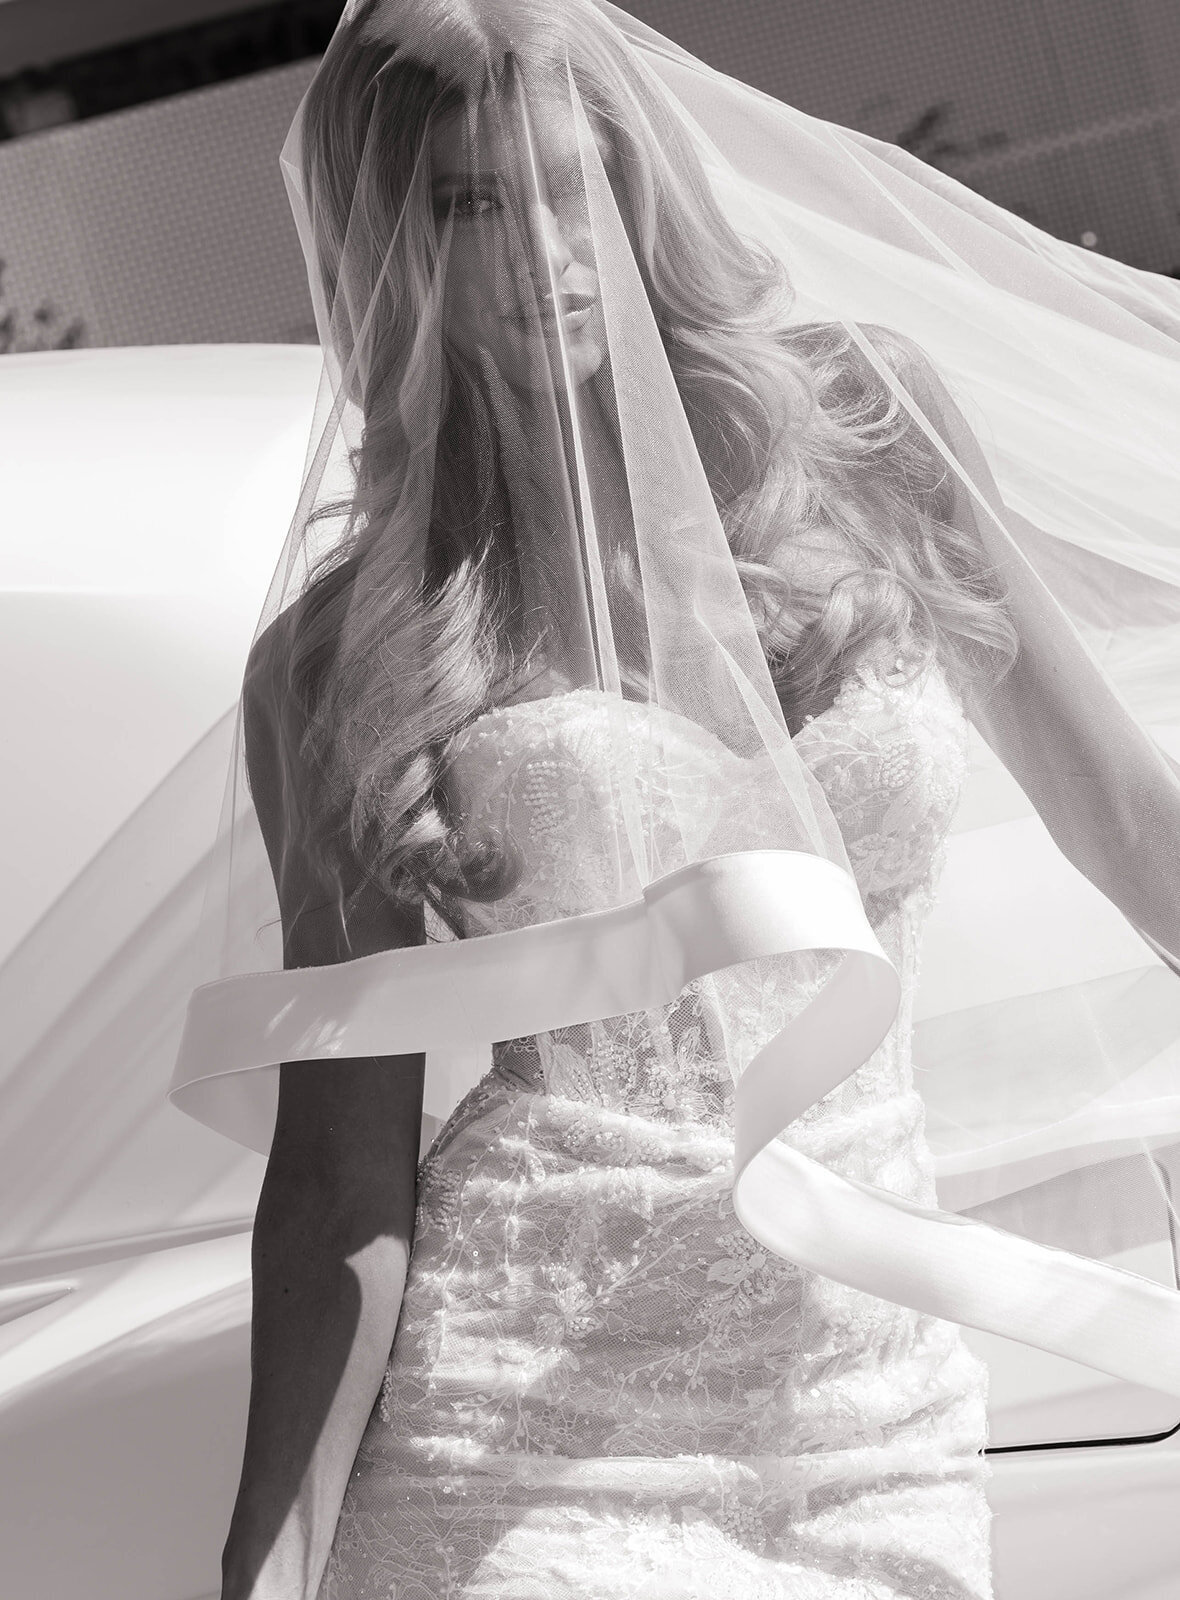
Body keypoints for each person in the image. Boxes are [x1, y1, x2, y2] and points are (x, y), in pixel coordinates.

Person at [169, 2, 1180, 1596]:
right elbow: (340, 1173)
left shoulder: (864, 433)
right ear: (390, 251)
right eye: (471, 206)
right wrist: (263, 1569)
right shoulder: (341, 655)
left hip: (868, 1406)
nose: (548, 252)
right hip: (517, 1421)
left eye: (574, 185)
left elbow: (1127, 823)